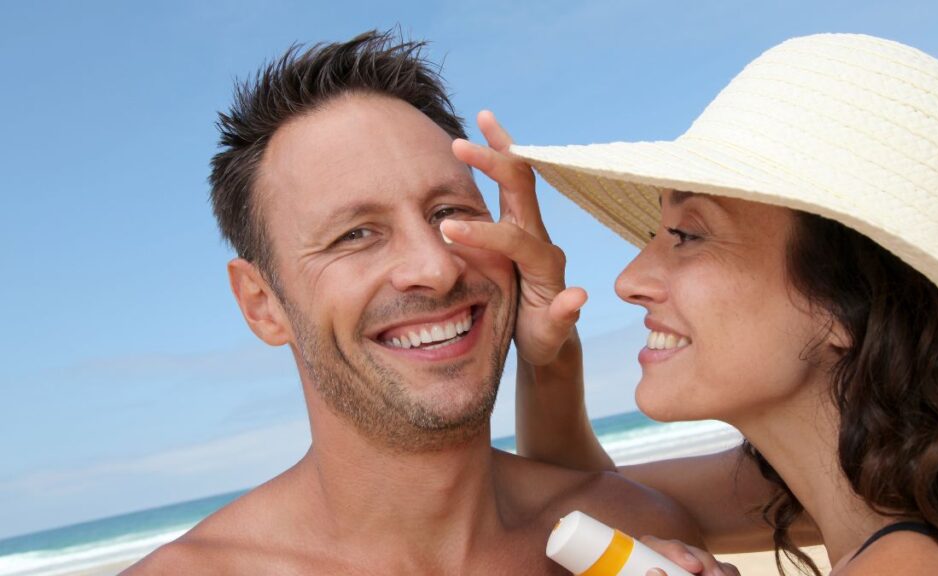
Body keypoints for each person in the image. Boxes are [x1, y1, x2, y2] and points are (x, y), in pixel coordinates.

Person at [124, 30, 784, 575]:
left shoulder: (637, 534)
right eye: (356, 234)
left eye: (450, 213)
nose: (435, 268)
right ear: (262, 304)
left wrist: (549, 355)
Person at [508, 33, 938, 575]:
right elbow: (583, 503)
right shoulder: (883, 487)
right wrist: (550, 355)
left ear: (843, 303)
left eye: (687, 234)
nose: (628, 279)